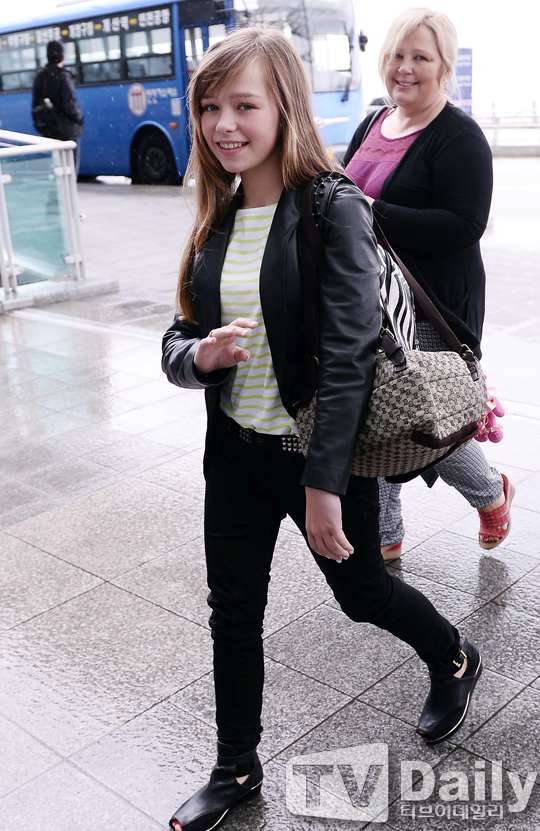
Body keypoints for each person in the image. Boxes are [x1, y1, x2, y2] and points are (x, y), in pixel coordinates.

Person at [162, 26, 482, 831]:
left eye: (244, 106)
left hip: (317, 452)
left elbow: (348, 358)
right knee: (233, 612)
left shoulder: (331, 207)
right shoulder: (217, 215)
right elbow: (177, 336)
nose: (223, 124)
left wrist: (323, 484)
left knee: (363, 592)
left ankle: (453, 654)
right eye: (210, 107)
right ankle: (235, 766)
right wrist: (199, 356)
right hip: (234, 451)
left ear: (284, 108)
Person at [343, 8, 514, 561]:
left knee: (423, 409)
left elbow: (465, 225)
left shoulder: (459, 136)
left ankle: (489, 493)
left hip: (433, 302)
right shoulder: (373, 123)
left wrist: (372, 210)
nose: (405, 67)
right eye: (397, 54)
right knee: (378, 407)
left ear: (444, 67)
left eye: (421, 57)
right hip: (372, 297)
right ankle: (387, 531)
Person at [32, 40, 84, 172]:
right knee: (69, 169)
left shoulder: (40, 76)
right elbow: (69, 104)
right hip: (67, 130)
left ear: (47, 56)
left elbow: (35, 104)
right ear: (63, 56)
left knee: (56, 167)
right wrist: (79, 119)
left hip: (49, 129)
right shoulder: (63, 76)